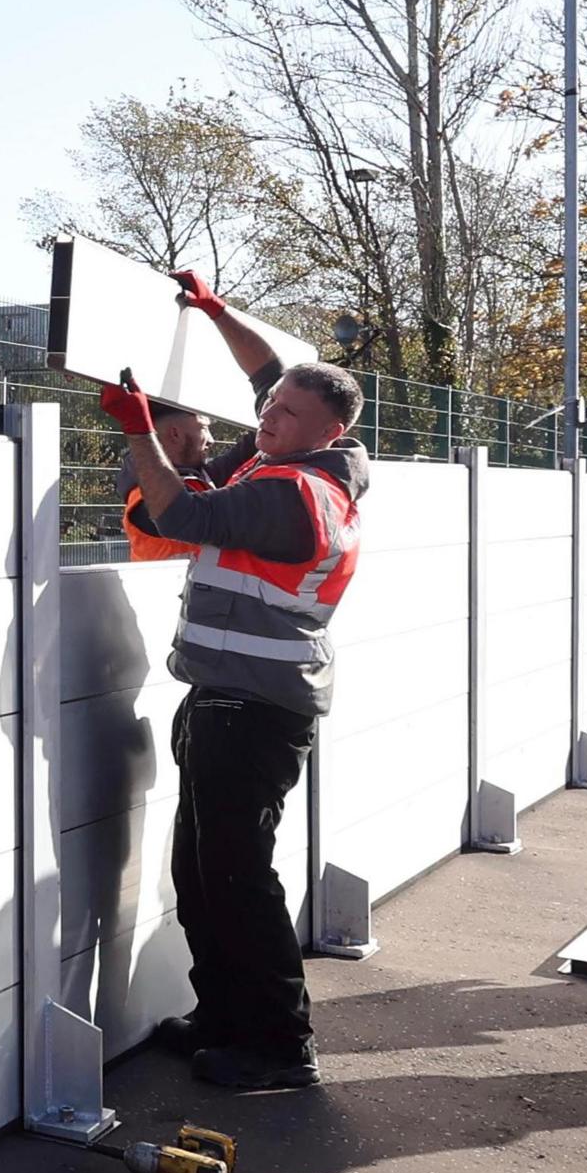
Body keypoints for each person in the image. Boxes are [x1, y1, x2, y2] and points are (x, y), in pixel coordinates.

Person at [105, 274, 368, 1092]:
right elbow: (270, 374)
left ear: (325, 427)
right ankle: (223, 1015)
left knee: (238, 877)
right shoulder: (299, 455)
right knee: (202, 870)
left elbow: (180, 516)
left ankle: (281, 1047)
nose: (265, 418)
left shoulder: (295, 492)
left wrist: (142, 434)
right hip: (226, 701)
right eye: (269, 407)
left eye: (283, 414)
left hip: (254, 710)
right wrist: (215, 313)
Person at [121, 405, 214, 560]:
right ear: (175, 433)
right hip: (167, 584)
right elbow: (186, 517)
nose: (212, 440)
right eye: (204, 428)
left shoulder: (199, 477)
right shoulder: (144, 500)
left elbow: (248, 447)